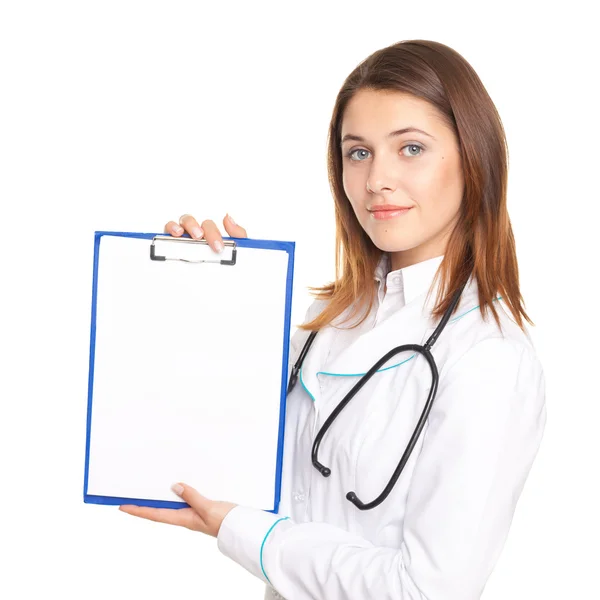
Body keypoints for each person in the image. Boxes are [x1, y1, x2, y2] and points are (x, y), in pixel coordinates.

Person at [119, 39, 547, 599]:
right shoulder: (327, 321)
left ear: (474, 157)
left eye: (411, 148)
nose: (377, 181)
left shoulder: (489, 357)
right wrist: (224, 306)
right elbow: (228, 451)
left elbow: (427, 591)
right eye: (359, 152)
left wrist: (248, 534)